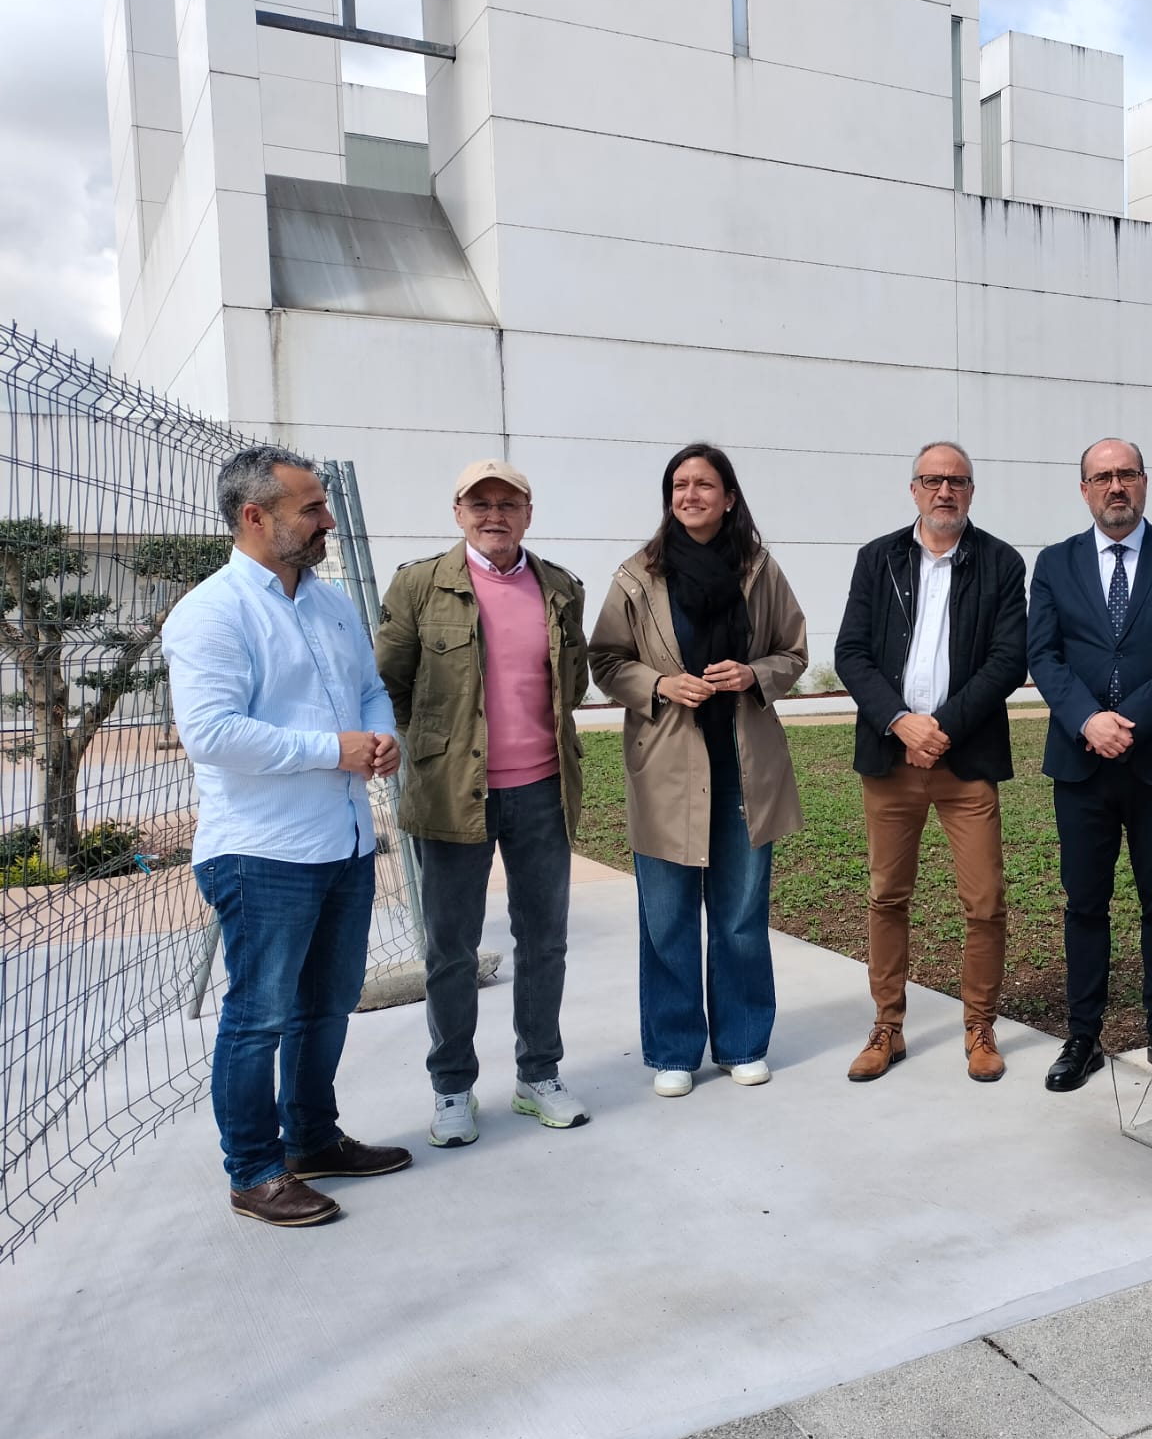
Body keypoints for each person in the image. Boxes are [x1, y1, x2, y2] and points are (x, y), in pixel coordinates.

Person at [163, 445, 411, 1228]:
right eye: (311, 508)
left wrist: (377, 737)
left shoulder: (331, 603)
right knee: (260, 1015)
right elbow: (211, 734)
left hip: (342, 841)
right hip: (263, 851)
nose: (326, 518)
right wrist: (332, 748)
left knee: (327, 1003)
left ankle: (312, 1139)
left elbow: (370, 688)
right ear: (255, 516)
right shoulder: (211, 612)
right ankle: (255, 1171)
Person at [376, 460, 591, 1148]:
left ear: (529, 512)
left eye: (508, 503)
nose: (493, 514)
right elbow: (391, 681)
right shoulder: (420, 584)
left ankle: (539, 1075)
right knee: (450, 947)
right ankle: (451, 1089)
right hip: (450, 794)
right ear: (458, 511)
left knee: (545, 941)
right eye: (480, 503)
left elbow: (573, 681)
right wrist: (436, 747)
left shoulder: (559, 587)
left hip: (540, 790)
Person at [588, 444, 807, 1098]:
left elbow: (792, 651)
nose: (691, 494)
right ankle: (675, 1050)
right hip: (667, 770)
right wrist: (658, 684)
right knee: (668, 916)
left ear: (729, 497)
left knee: (740, 914)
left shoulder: (759, 570)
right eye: (679, 485)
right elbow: (605, 659)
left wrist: (753, 674)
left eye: (704, 484)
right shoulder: (638, 575)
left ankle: (742, 1042)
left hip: (745, 765)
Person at [834, 443, 1028, 1083]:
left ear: (971, 491)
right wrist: (900, 722)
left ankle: (980, 1026)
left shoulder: (1000, 562)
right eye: (933, 480)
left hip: (963, 760)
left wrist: (940, 727)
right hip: (891, 760)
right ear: (913, 489)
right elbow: (851, 653)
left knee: (985, 900)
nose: (945, 491)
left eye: (957, 481)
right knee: (887, 896)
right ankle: (887, 1026)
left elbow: (1007, 660)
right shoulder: (877, 558)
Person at [1027, 438, 1152, 1089]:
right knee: (1086, 904)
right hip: (1080, 766)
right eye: (1102, 476)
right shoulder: (1054, 564)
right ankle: (1082, 1039)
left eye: (1126, 474)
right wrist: (1089, 721)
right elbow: (1044, 656)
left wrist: (1127, 723)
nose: (1116, 486)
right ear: (1084, 489)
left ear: (1145, 482)